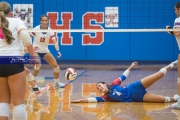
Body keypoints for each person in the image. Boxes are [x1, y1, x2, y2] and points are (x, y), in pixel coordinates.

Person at [0, 1, 39, 120]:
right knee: (18, 104)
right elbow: (25, 36)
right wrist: (33, 54)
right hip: (14, 61)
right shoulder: (16, 21)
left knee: (3, 102)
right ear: (10, 13)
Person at [71, 61, 178, 103]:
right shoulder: (106, 98)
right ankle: (177, 98)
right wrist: (79, 100)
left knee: (158, 75)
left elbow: (123, 76)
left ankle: (173, 64)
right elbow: (91, 99)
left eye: (100, 85)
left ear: (105, 84)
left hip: (135, 87)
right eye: (98, 88)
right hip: (138, 98)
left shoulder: (114, 83)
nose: (99, 88)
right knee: (162, 100)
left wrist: (130, 67)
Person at [30, 14, 65, 88]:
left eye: (46, 20)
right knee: (37, 65)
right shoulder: (36, 29)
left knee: (56, 67)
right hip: (36, 51)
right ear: (40, 21)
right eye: (43, 20)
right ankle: (33, 84)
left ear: (48, 21)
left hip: (45, 51)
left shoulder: (50, 31)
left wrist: (58, 51)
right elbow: (28, 36)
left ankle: (56, 83)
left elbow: (54, 41)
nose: (44, 22)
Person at [166, 1, 180, 109]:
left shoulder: (178, 20)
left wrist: (169, 29)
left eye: (175, 9)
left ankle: (179, 101)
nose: (175, 12)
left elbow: (177, 33)